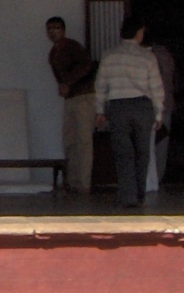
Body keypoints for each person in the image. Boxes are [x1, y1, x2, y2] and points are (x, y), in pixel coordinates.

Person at [93, 20, 166, 208]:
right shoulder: (147, 57)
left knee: (123, 152)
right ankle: (140, 193)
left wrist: (100, 111)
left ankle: (127, 196)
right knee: (142, 151)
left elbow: (101, 86)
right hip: (142, 106)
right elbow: (156, 87)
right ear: (138, 33)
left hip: (118, 107)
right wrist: (158, 114)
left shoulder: (109, 56)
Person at [46, 18, 98, 194]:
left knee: (83, 140)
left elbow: (86, 66)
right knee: (69, 140)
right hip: (70, 98)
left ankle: (83, 183)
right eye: (50, 29)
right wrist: (64, 86)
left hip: (84, 95)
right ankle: (72, 180)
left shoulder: (72, 47)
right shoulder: (53, 53)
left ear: (64, 30)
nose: (53, 32)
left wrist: (68, 82)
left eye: (57, 28)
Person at [147, 35, 179, 196]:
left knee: (151, 146)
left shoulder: (150, 56)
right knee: (160, 146)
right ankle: (157, 179)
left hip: (152, 105)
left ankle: (151, 181)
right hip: (165, 104)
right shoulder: (166, 55)